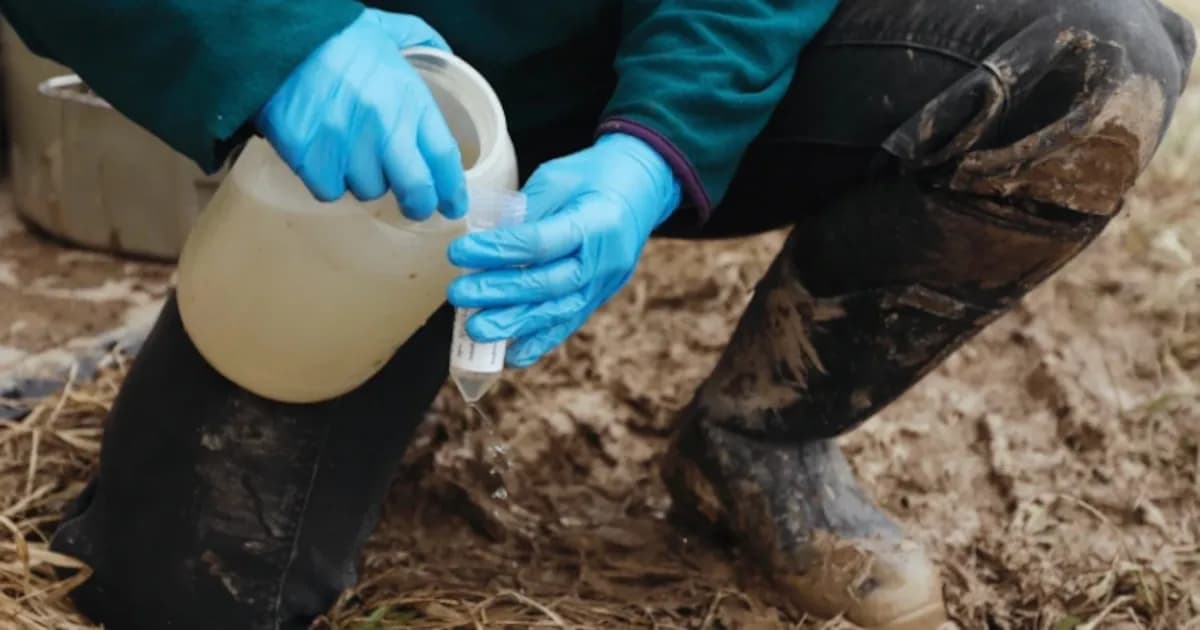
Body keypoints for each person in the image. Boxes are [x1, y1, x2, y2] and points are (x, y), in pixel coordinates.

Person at [1, 1, 1194, 628]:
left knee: (1092, 57)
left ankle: (758, 441)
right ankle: (214, 313)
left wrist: (653, 148)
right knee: (184, 593)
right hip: (372, 144)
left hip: (633, 60)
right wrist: (274, 35)